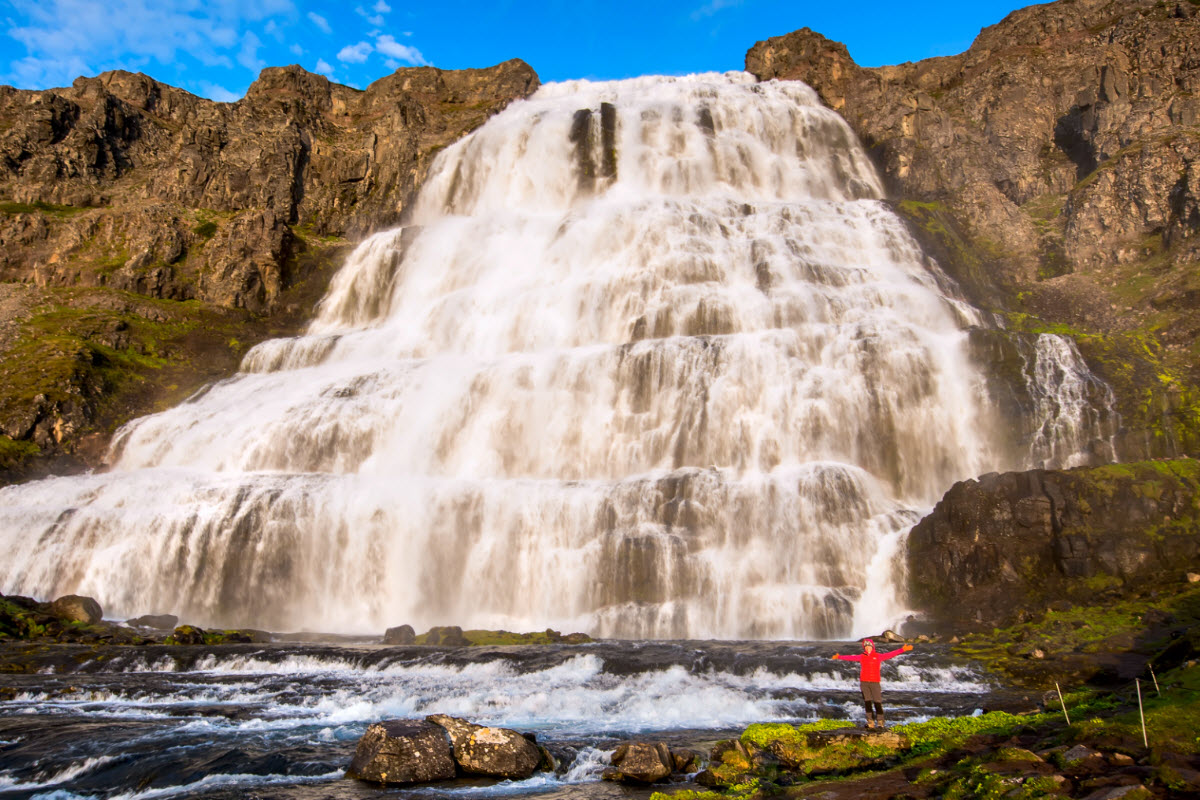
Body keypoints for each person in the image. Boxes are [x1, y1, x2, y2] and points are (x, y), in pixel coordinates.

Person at [832, 638, 913, 729]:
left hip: (875, 682)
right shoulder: (862, 656)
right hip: (864, 683)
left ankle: (880, 722)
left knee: (877, 702)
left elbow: (890, 654)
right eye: (866, 647)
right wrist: (839, 656)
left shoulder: (878, 656)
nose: (868, 648)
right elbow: (851, 657)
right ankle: (870, 722)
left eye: (869, 646)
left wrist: (902, 649)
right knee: (867, 702)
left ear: (872, 647)